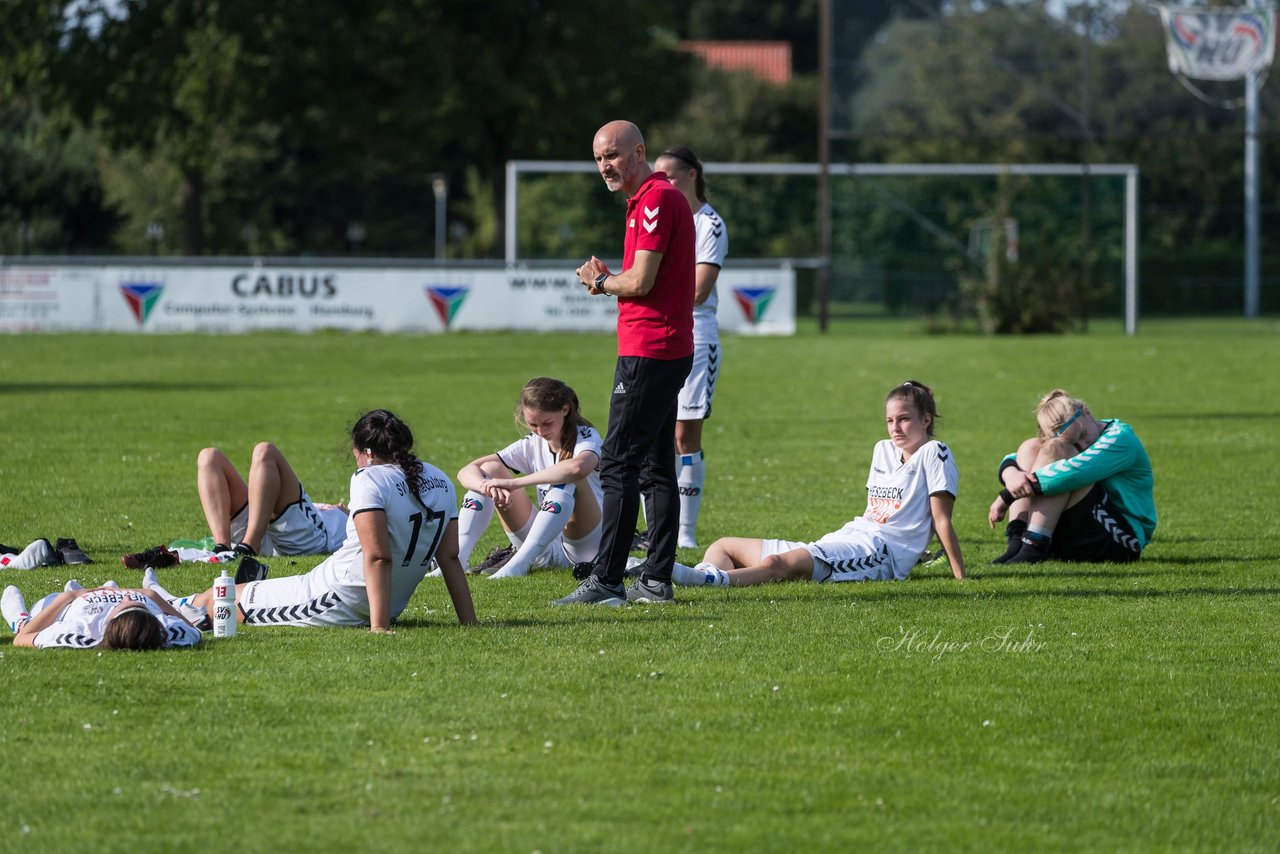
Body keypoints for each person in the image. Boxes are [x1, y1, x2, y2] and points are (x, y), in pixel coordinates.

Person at [557, 120, 696, 606]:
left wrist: (599, 281)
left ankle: (608, 579)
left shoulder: (657, 199)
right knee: (657, 466)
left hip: (651, 349)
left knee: (617, 463)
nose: (605, 167)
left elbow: (639, 281)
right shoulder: (646, 200)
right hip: (659, 348)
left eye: (612, 156)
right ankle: (656, 579)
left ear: (639, 153)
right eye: (598, 159)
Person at [171, 410, 476, 631]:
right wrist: (469, 622)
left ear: (366, 453)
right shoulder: (440, 478)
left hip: (333, 598)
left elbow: (378, 557)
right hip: (355, 596)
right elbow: (449, 557)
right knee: (226, 594)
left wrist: (379, 627)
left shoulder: (369, 478)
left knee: (220, 602)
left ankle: (152, 604)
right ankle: (161, 599)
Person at [671, 381, 966, 587]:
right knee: (724, 546)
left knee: (779, 564)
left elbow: (941, 521)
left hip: (880, 553)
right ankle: (702, 577)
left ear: (926, 419)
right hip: (853, 535)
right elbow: (879, 513)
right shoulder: (883, 449)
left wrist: (960, 578)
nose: (895, 428)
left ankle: (708, 580)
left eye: (904, 419)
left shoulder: (935, 453)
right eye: (890, 420)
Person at [643, 145, 729, 551]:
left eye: (671, 177)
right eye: (658, 178)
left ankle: (686, 533)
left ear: (693, 175)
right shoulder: (661, 216)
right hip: (660, 335)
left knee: (683, 436)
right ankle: (655, 530)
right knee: (651, 433)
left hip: (696, 338)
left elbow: (697, 292)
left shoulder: (709, 225)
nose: (664, 184)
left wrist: (644, 287)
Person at [455, 377, 603, 579]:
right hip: (543, 547)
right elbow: (466, 471)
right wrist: (486, 485)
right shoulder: (532, 443)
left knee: (570, 477)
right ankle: (458, 559)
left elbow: (578, 467)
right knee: (490, 469)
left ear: (565, 410)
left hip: (584, 548)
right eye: (533, 424)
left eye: (547, 423)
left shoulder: (586, 435)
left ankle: (521, 563)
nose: (540, 432)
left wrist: (515, 483)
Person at [987, 389, 1155, 565]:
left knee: (1058, 452)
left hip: (1120, 540)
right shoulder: (1078, 434)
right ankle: (1017, 544)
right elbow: (1012, 459)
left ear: (1086, 411)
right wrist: (1012, 475)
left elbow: (1071, 475)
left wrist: (1008, 495)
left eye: (1082, 435)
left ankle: (1033, 546)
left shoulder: (1120, 437)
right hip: (1075, 534)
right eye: (1074, 442)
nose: (1083, 445)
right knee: (1030, 446)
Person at [196, 442, 348, 557]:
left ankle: (250, 545)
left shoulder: (357, 516)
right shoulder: (352, 502)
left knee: (265, 451)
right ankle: (222, 547)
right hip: (269, 525)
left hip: (305, 538)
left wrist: (346, 512)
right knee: (208, 457)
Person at [3, 580, 202, 650]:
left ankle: (19, 619)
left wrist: (69, 596)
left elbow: (22, 639)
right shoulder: (167, 631)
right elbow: (194, 630)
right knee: (111, 583)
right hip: (101, 594)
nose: (125, 600)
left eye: (123, 605)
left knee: (31, 611)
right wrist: (148, 595)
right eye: (139, 604)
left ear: (109, 621)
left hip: (64, 607)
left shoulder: (79, 633)